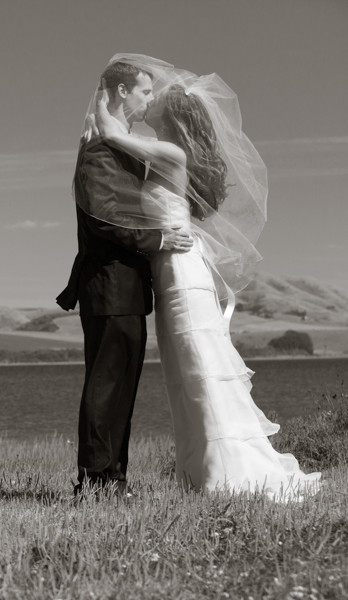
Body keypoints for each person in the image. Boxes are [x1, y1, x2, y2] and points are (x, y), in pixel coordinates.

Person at [90, 55, 321, 501]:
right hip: (171, 271)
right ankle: (200, 474)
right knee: (186, 373)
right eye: (147, 93)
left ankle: (229, 474)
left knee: (200, 368)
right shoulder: (167, 152)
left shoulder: (171, 153)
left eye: (158, 99)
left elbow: (110, 131)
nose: (151, 99)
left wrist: (105, 96)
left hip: (180, 272)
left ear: (173, 116)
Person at [57, 58, 193, 498]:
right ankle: (94, 481)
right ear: (120, 92)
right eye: (144, 91)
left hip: (130, 289)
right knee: (105, 384)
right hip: (108, 285)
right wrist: (159, 240)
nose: (149, 99)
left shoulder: (121, 146)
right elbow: (103, 220)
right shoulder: (98, 151)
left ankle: (113, 480)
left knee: (123, 389)